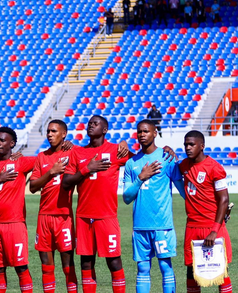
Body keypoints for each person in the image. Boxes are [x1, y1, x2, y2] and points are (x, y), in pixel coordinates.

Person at [62, 116, 129, 293]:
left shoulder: (116, 150)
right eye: (89, 123)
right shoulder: (78, 152)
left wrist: (125, 142)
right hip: (84, 216)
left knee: (114, 260)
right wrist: (87, 169)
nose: (91, 125)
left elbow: (139, 158)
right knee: (86, 260)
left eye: (95, 123)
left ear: (105, 129)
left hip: (107, 216)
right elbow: (66, 182)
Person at [123, 120, 186, 293]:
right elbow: (127, 198)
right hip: (140, 226)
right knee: (142, 269)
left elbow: (183, 192)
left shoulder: (167, 158)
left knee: (165, 266)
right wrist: (141, 177)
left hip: (162, 226)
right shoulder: (131, 163)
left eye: (146, 131)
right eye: (139, 132)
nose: (142, 135)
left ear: (155, 133)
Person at [0, 126, 36, 293]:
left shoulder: (21, 162)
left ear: (13, 143)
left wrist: (67, 145)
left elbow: (48, 158)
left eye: (2, 140)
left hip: (15, 224)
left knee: (21, 267)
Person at [179, 130, 232, 293]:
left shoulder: (215, 168)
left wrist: (215, 230)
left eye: (191, 144)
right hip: (192, 228)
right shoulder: (184, 166)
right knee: (192, 270)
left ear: (202, 146)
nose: (188, 148)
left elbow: (224, 199)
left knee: (220, 270)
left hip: (212, 228)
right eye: (186, 144)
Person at [29, 120, 77, 293]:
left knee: (68, 265)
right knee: (46, 265)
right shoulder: (42, 157)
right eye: (48, 131)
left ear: (64, 134)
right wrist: (51, 172)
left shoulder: (73, 153)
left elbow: (93, 152)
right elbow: (33, 186)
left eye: (54, 131)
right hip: (44, 218)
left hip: (63, 217)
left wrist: (123, 143)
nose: (49, 134)